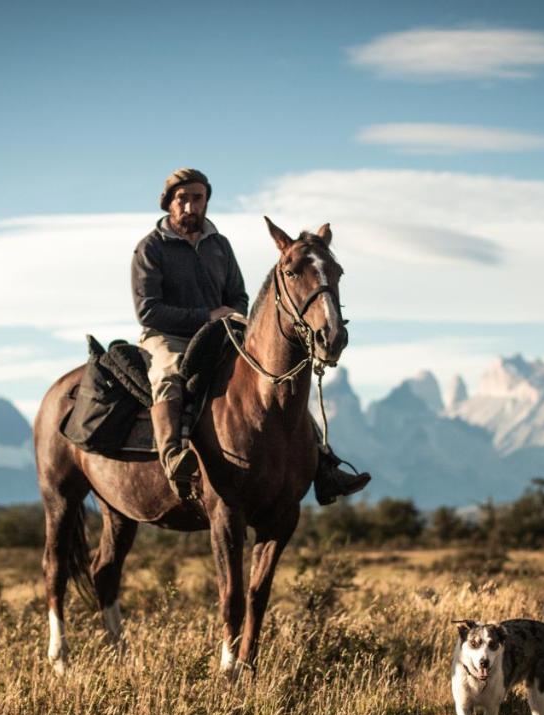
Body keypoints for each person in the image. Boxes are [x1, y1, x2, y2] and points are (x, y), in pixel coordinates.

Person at [131, 168, 370, 503]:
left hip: (220, 332)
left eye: (196, 199)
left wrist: (230, 314)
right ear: (169, 203)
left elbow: (239, 296)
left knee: (278, 382)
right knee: (168, 376)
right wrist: (206, 315)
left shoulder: (219, 245)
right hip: (168, 337)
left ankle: (324, 464)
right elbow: (148, 310)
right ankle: (174, 459)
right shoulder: (151, 248)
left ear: (205, 202)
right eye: (182, 199)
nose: (189, 207)